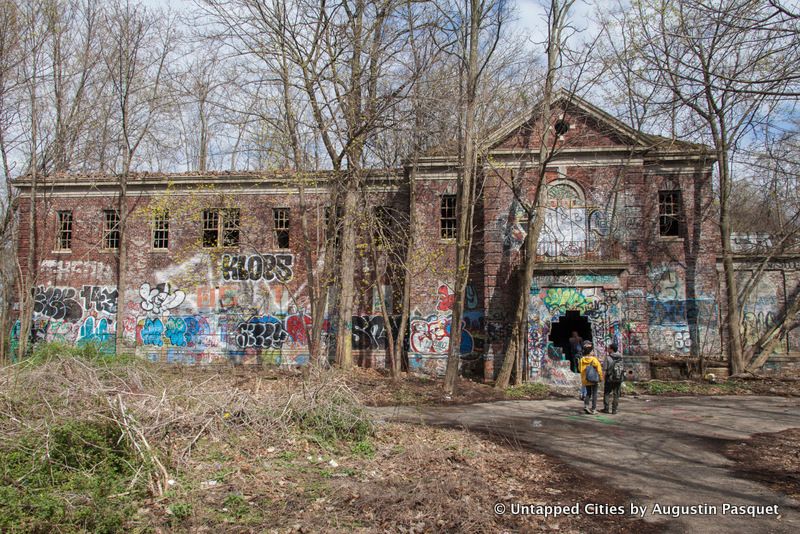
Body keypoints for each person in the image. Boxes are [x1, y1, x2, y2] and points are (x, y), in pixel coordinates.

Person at [578, 340, 603, 414]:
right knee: (594, 394)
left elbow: (580, 369)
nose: (593, 352)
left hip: (586, 379)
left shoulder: (582, 360)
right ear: (590, 352)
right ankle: (594, 409)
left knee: (588, 393)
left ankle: (586, 406)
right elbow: (599, 370)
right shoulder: (594, 359)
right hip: (594, 379)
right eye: (592, 351)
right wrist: (601, 378)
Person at [602, 343, 624, 414]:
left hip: (609, 379)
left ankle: (606, 409)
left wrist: (602, 379)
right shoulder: (621, 357)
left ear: (611, 349)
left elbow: (604, 369)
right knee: (616, 394)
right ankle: (614, 410)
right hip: (618, 378)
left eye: (608, 348)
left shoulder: (607, 358)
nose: (607, 349)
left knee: (607, 393)